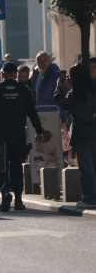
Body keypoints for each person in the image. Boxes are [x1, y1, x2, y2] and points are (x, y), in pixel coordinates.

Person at [0, 62, 44, 212]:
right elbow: (32, 113)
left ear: (2, 74)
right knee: (16, 166)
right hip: (18, 134)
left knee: (0, 165)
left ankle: (4, 192)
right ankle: (18, 200)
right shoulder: (23, 89)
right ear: (15, 74)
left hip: (0, 134)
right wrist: (39, 130)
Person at [54, 63, 96, 208]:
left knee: (87, 168)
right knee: (94, 166)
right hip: (94, 132)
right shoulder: (93, 90)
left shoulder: (75, 94)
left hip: (82, 135)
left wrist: (59, 87)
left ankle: (90, 198)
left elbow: (60, 102)